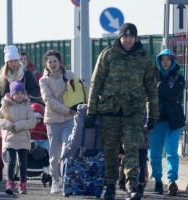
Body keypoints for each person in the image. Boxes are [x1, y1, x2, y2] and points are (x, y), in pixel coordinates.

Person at [85, 23, 159, 200]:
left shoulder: (144, 57)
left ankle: (132, 186)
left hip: (133, 112)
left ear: (136, 38)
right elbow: (96, 84)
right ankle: (110, 185)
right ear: (119, 38)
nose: (128, 40)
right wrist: (91, 111)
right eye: (125, 37)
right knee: (110, 150)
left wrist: (153, 114)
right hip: (110, 111)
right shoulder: (108, 54)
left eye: (131, 37)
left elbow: (151, 88)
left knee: (132, 148)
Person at [39, 50, 82, 194]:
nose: (52, 64)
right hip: (53, 121)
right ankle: (55, 180)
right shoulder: (43, 80)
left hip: (69, 121)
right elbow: (49, 101)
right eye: (49, 62)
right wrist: (69, 110)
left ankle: (66, 180)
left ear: (60, 62)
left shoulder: (69, 75)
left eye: (55, 61)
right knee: (55, 153)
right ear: (46, 64)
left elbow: (82, 89)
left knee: (67, 149)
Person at [149, 49, 185, 197]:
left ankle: (172, 181)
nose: (165, 62)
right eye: (162, 59)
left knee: (171, 153)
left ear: (173, 61)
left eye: (168, 59)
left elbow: (174, 94)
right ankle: (158, 180)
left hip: (173, 122)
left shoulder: (179, 77)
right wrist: (162, 88)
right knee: (155, 154)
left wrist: (159, 87)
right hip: (156, 121)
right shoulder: (152, 76)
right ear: (158, 61)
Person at [0, 80, 36, 195]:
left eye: (21, 93)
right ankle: (9, 182)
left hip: (23, 138)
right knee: (11, 161)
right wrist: (6, 124)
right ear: (12, 94)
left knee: (23, 162)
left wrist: (18, 126)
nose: (19, 95)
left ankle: (22, 184)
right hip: (10, 138)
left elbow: (32, 122)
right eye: (17, 93)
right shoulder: (5, 106)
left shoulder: (28, 107)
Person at [0, 45, 41, 132]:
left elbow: (35, 90)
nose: (13, 63)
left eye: (15, 61)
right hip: (7, 115)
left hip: (23, 114)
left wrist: (26, 98)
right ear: (7, 62)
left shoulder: (25, 74)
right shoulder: (1, 77)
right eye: (11, 61)